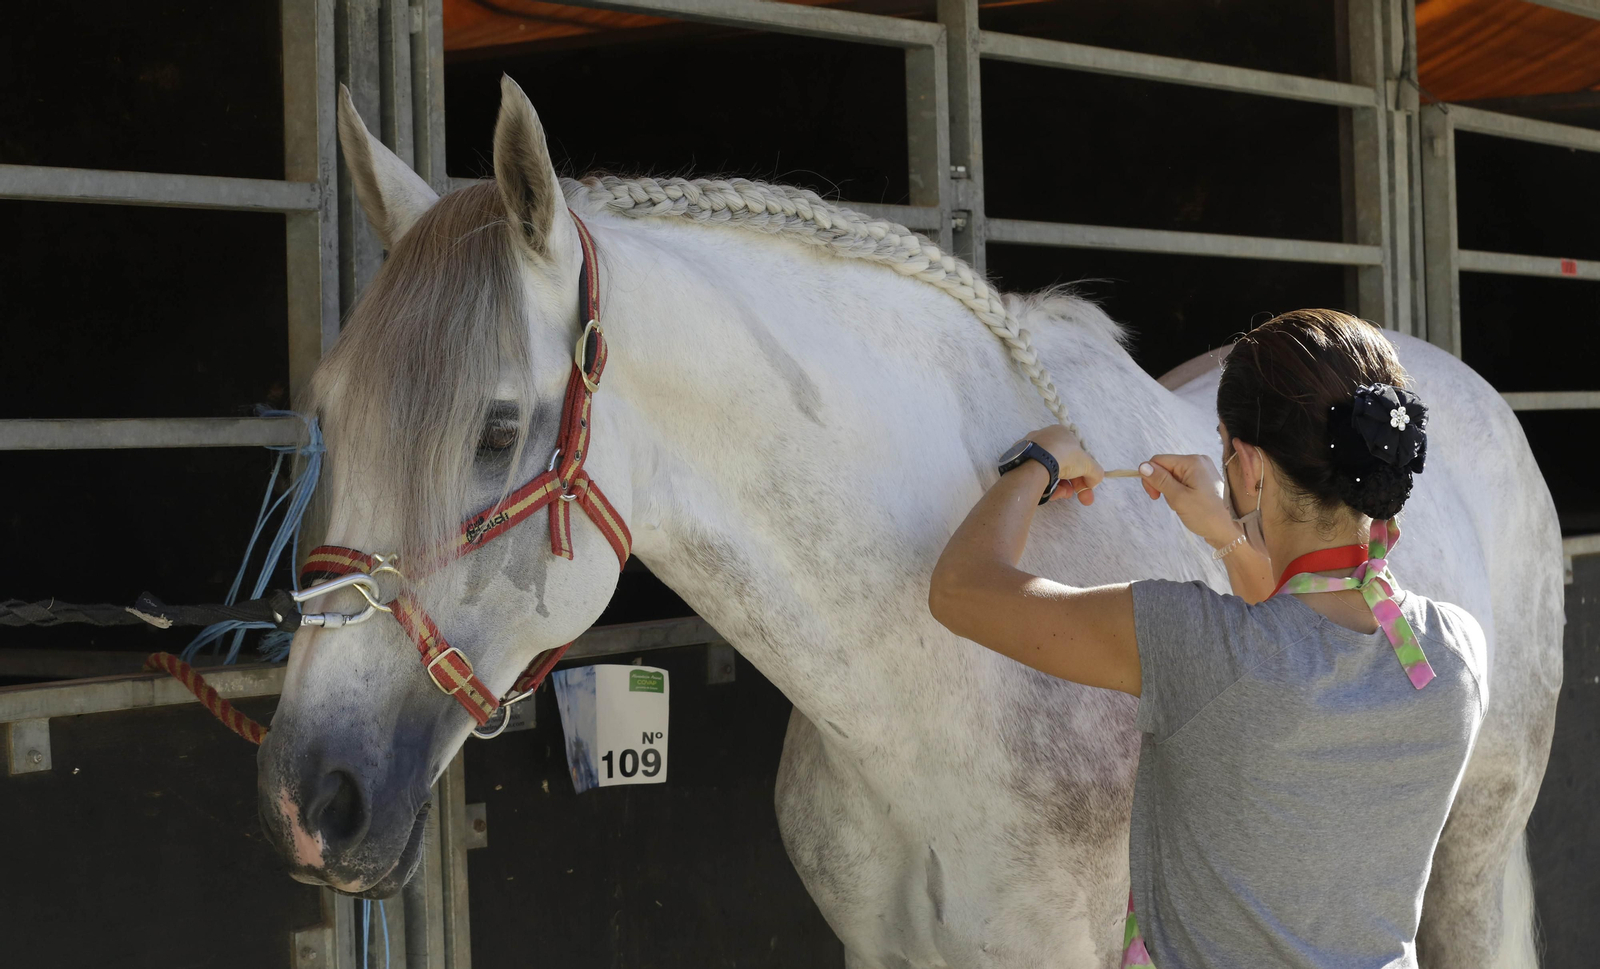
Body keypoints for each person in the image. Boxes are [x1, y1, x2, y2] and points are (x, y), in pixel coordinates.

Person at [928, 309, 1487, 969]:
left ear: (1248, 466)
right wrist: (1226, 532)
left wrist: (1037, 462)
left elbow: (961, 589)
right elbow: (1298, 637)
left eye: (1224, 442)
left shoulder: (1193, 644)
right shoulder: (1458, 651)